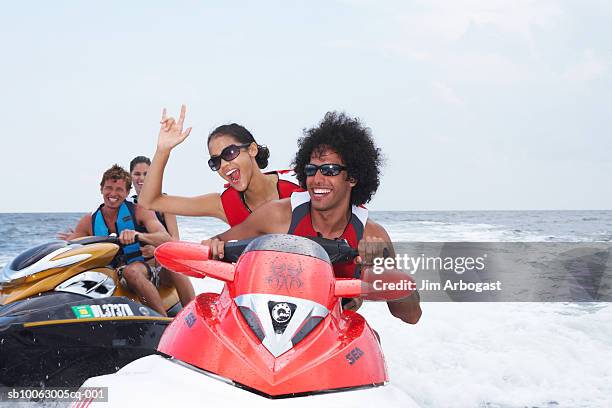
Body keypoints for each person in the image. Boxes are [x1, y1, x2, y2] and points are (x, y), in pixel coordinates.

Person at [203, 112, 421, 325]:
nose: (317, 180)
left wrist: (381, 270)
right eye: (311, 170)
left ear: (353, 177)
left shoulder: (372, 235)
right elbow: (217, 243)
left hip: (327, 340)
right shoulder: (277, 215)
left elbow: (410, 315)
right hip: (271, 331)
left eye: (329, 170)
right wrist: (212, 246)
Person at [138, 105, 302, 227]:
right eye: (215, 161)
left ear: (252, 149)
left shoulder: (300, 185)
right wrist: (162, 150)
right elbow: (149, 201)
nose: (223, 165)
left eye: (229, 153)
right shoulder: (223, 205)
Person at [61, 164, 172, 316]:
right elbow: (69, 248)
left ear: (127, 193)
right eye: (108, 188)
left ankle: (164, 323)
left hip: (141, 269)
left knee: (131, 271)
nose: (113, 193)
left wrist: (138, 235)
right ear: (101, 189)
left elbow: (166, 238)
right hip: (107, 277)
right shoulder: (89, 221)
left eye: (119, 189)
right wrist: (65, 245)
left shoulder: (140, 211)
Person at [129, 155, 195, 306]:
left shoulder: (165, 203)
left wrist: (156, 250)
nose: (141, 178)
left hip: (162, 269)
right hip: (138, 268)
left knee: (174, 265)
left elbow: (175, 242)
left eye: (146, 174)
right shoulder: (127, 207)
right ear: (130, 176)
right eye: (137, 174)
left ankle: (194, 314)